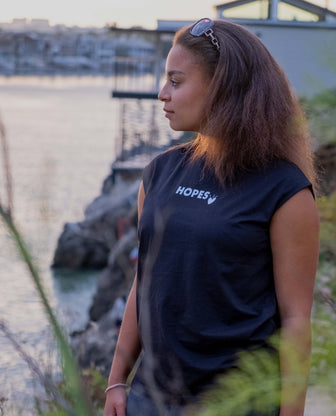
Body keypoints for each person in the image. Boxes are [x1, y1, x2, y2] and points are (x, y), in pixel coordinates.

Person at [103, 17, 319, 416]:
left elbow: (295, 320)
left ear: (224, 87)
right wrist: (117, 379)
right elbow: (144, 278)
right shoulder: (160, 173)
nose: (162, 93)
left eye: (177, 81)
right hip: (150, 399)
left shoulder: (285, 191)